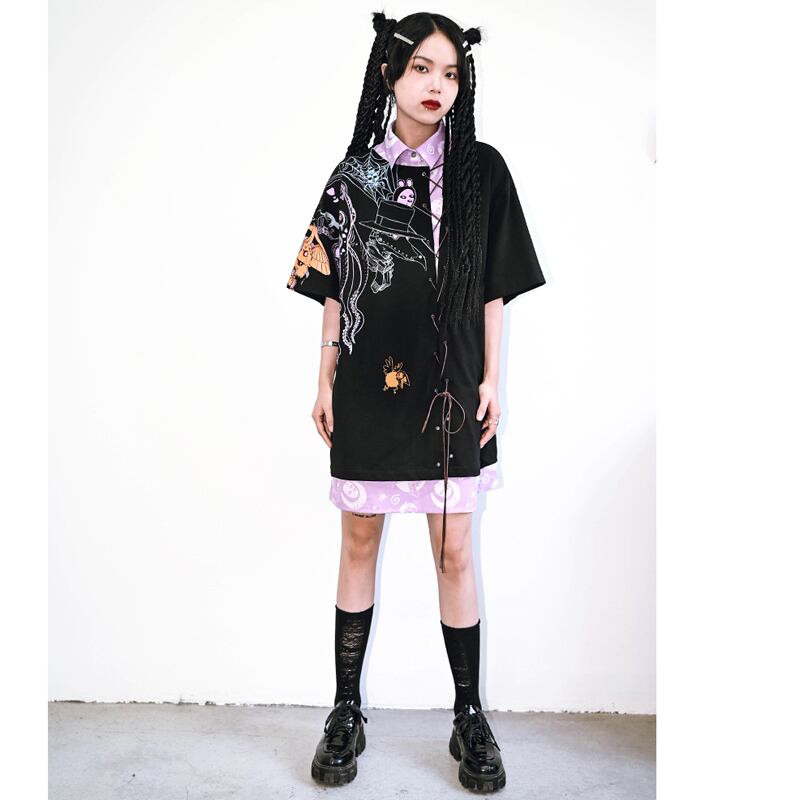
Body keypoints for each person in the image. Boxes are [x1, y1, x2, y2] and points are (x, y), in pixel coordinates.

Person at [286, 10, 545, 792]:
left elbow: (495, 289)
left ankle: (468, 716)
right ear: (390, 75)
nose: (438, 86)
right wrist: (324, 375)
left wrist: (491, 378)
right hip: (368, 383)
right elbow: (332, 287)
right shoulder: (354, 176)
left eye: (452, 73)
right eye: (423, 69)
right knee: (358, 543)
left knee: (455, 549)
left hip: (451, 391)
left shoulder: (481, 172)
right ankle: (345, 710)